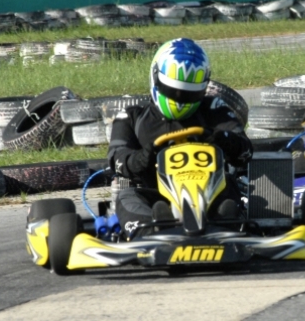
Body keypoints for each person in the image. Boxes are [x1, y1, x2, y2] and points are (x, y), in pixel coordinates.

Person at [107, 38, 252, 236]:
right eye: (173, 91)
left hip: (209, 193)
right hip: (156, 196)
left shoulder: (213, 108)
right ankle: (154, 230)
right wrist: (143, 157)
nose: (180, 100)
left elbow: (246, 152)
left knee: (230, 185)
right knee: (128, 196)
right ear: (156, 78)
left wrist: (222, 139)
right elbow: (117, 160)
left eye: (189, 95)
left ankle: (226, 225)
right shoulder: (132, 116)